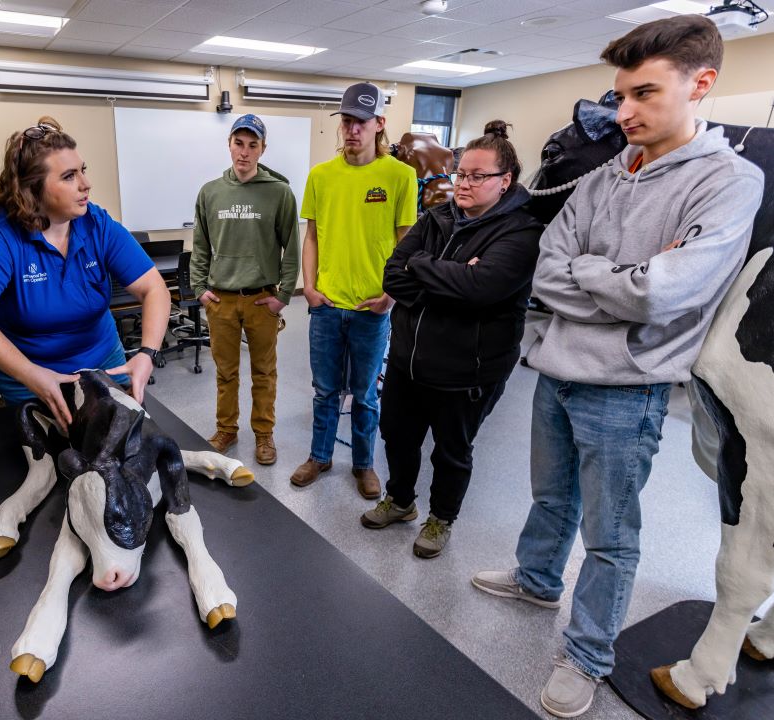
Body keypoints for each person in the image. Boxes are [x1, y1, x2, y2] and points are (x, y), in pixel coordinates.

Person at [471, 16, 764, 718]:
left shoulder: (729, 181)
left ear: (701, 85)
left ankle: (588, 654)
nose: (623, 112)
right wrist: (621, 278)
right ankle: (538, 577)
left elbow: (667, 293)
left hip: (626, 391)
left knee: (609, 537)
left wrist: (600, 277)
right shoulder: (607, 171)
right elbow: (548, 268)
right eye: (619, 94)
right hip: (556, 371)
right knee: (550, 496)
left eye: (643, 94)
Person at [361, 121, 542, 559]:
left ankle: (440, 518)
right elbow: (393, 274)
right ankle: (401, 501)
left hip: (468, 371)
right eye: (462, 173)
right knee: (397, 438)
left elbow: (482, 289)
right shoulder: (438, 217)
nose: (464, 183)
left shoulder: (520, 232)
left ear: (505, 181)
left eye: (477, 176)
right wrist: (452, 278)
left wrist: (423, 269)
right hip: (408, 360)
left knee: (452, 451)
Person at [0, 117, 169, 431]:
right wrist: (31, 374)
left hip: (104, 362)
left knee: (119, 448)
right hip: (32, 376)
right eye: (68, 176)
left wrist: (146, 352)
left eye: (83, 170)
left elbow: (154, 288)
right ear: (32, 188)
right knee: (54, 462)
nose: (85, 184)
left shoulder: (96, 223)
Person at [291, 82, 418, 498]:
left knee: (364, 395)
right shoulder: (321, 176)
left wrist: (391, 297)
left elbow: (407, 243)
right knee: (325, 390)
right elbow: (311, 237)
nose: (352, 130)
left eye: (361, 122)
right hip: (326, 305)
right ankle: (320, 456)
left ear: (379, 124)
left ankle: (363, 465)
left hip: (373, 307)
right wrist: (309, 288)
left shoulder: (401, 176)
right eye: (346, 121)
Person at [190, 114, 300, 466]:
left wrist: (282, 296)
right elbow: (201, 245)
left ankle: (264, 435)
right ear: (230, 144)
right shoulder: (210, 192)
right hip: (220, 300)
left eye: (253, 145)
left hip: (261, 300)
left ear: (262, 149)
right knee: (225, 372)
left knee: (264, 372)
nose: (245, 152)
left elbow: (291, 248)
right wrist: (199, 289)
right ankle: (226, 429)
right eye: (239, 143)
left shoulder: (279, 192)